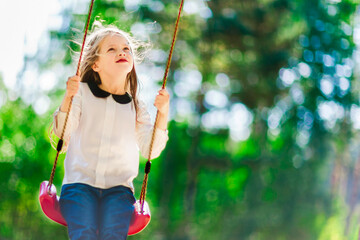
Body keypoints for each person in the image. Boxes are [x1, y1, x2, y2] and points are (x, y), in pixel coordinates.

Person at [52, 22, 169, 240]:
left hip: (119, 190)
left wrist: (162, 114)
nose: (122, 52)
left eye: (126, 49)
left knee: (113, 235)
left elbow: (150, 150)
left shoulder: (136, 106)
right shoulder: (82, 93)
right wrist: (68, 98)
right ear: (95, 64)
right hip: (79, 186)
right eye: (112, 49)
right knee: (83, 233)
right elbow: (62, 135)